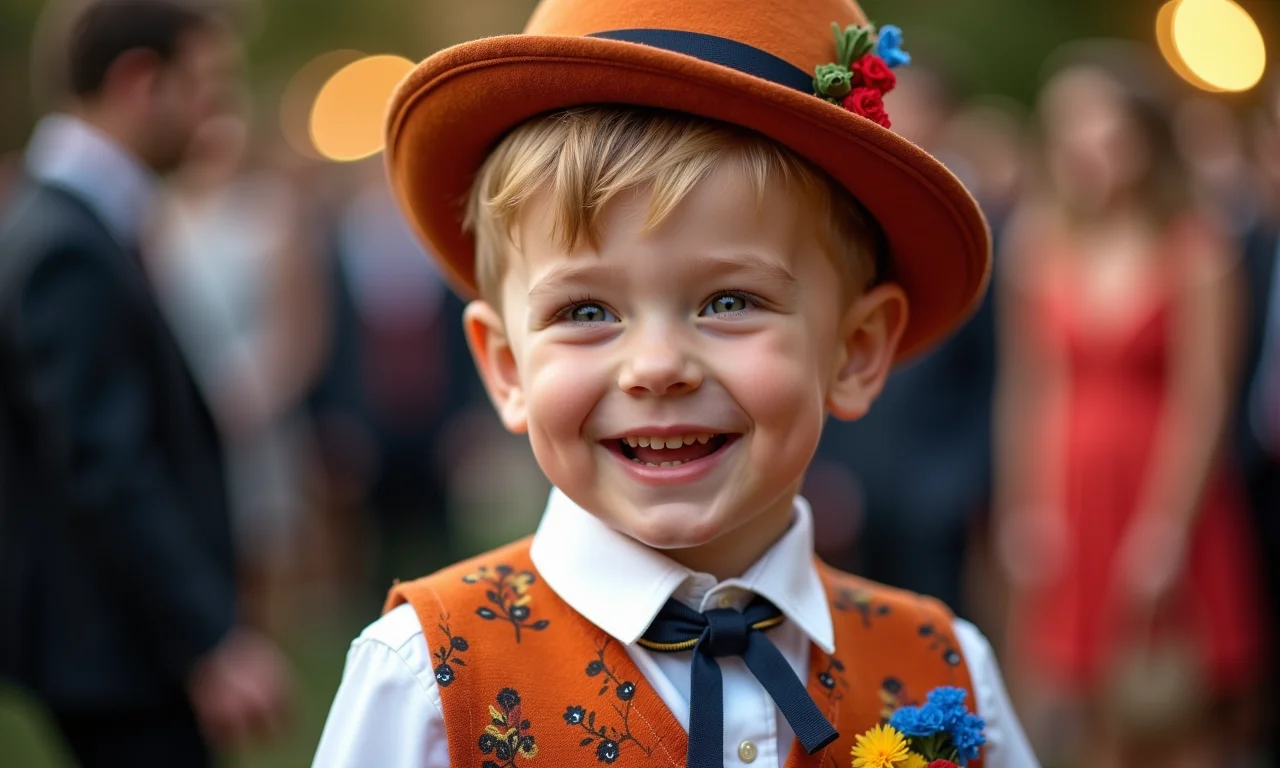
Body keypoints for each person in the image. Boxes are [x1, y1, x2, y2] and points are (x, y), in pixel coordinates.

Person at [315, 0, 1038, 765]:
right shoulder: (425, 679)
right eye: (586, 310)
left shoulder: (949, 674)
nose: (657, 366)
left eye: (730, 302)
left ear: (855, 351)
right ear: (504, 367)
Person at [0, 1, 291, 765]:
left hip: (122, 643)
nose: (212, 112)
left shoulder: (77, 221)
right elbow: (107, 464)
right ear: (139, 81)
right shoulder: (66, 243)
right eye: (203, 85)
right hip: (116, 651)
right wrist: (210, 640)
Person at [995, 43, 1263, 767]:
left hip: (1165, 488)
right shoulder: (1039, 244)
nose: (1091, 149)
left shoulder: (1195, 247)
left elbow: (1202, 398)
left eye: (1107, 130)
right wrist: (1026, 507)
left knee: (1174, 704)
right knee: (1081, 711)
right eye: (1072, 132)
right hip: (1073, 493)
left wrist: (1167, 528)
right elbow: (1029, 389)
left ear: (1145, 136)